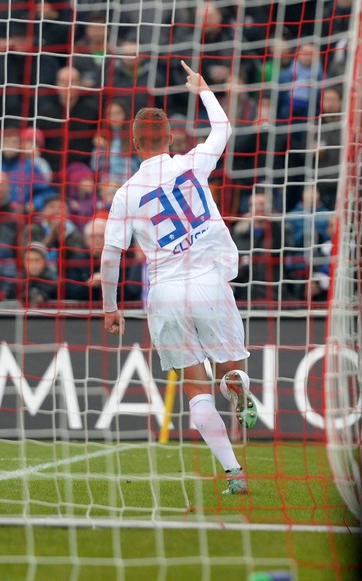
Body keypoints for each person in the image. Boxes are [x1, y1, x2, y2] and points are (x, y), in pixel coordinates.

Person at [100, 61, 257, 495]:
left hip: (164, 292)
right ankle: (239, 388)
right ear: (170, 137)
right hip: (208, 280)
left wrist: (111, 307)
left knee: (193, 385)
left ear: (132, 144)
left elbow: (111, 253)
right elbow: (222, 129)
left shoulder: (126, 192)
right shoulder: (192, 163)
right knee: (230, 370)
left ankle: (233, 473)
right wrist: (203, 89)